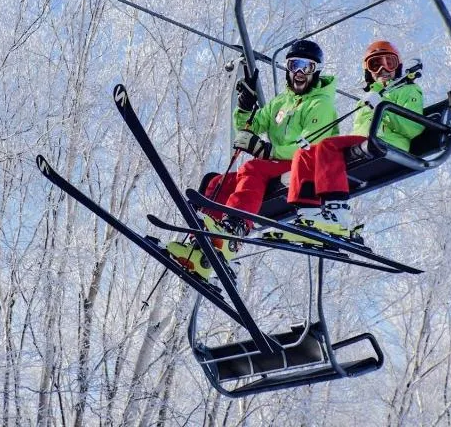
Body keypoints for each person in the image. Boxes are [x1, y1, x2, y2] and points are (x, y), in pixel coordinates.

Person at [166, 39, 339, 280]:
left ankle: (235, 227)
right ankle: (202, 247)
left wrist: (266, 151)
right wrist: (246, 108)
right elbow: (249, 126)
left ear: (316, 71)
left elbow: (311, 146)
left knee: (253, 167)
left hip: (307, 165)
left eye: (306, 67)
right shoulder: (282, 102)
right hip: (278, 165)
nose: (299, 73)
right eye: (293, 65)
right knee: (219, 183)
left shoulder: (320, 104)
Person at [267, 40, 424, 241]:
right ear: (368, 72)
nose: (383, 69)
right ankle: (309, 214)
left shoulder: (409, 91)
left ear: (398, 66)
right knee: (307, 153)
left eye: (390, 63)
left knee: (326, 146)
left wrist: (383, 106)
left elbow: (413, 127)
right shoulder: (369, 98)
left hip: (389, 144)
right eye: (375, 65)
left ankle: (337, 212)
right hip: (366, 144)